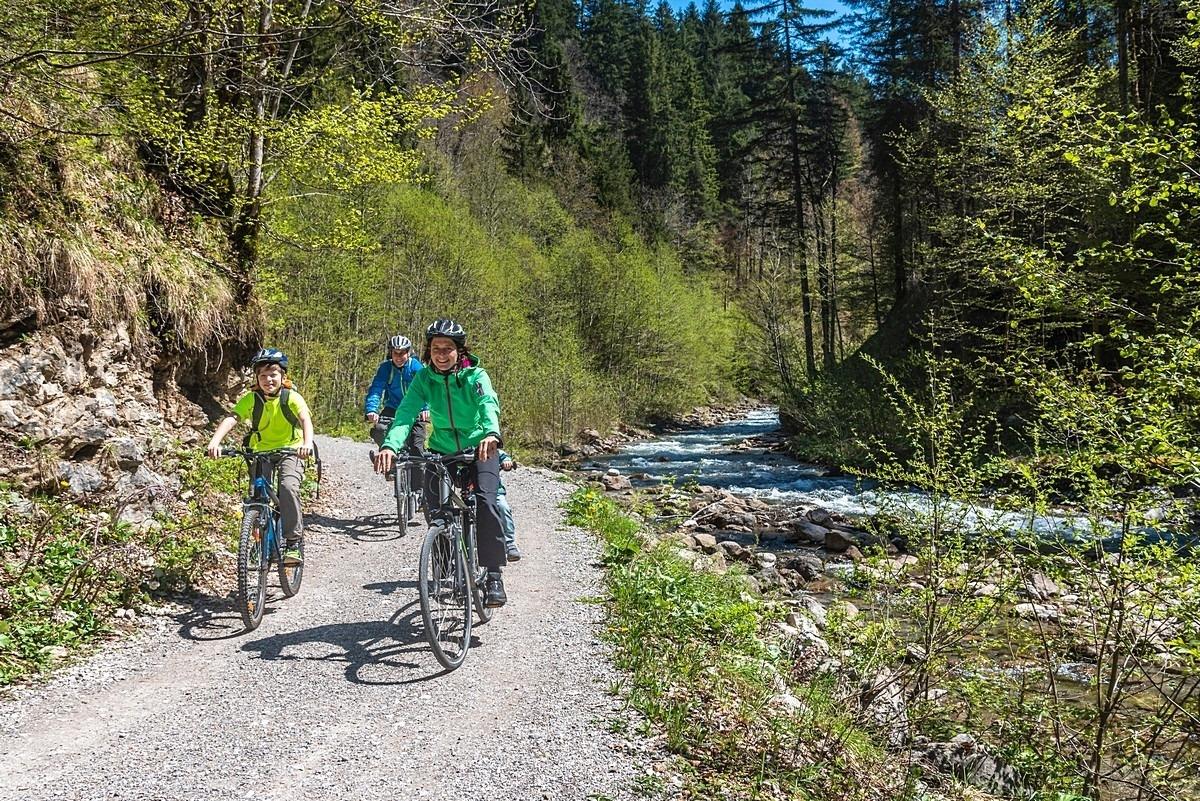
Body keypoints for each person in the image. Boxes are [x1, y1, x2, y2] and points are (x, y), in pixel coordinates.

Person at [374, 319, 508, 606]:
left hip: (479, 448)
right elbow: (406, 413)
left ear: (460, 351)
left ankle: (494, 576)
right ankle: (445, 563)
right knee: (435, 508)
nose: (441, 354)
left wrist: (491, 434)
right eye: (436, 348)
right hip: (441, 450)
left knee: (487, 503)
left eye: (448, 348)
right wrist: (390, 445)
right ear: (428, 351)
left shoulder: (475, 376)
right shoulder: (424, 379)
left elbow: (488, 404)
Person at [206, 348, 314, 565]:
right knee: (256, 498)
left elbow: (305, 420)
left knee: (288, 487)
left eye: (273, 375)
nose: (268, 380)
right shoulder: (251, 399)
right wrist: (215, 441)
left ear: (283, 376)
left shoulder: (291, 397)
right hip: (261, 451)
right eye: (263, 376)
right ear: (257, 378)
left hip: (291, 450)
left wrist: (307, 443)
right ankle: (260, 541)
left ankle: (293, 543)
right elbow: (232, 418)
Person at [364, 335, 429, 497]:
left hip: (415, 410)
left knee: (417, 448)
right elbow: (376, 389)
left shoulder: (416, 367)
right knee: (379, 430)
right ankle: (390, 462)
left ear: (409, 352)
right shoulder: (386, 368)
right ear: (390, 353)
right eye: (395, 353)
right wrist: (372, 409)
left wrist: (425, 408)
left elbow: (427, 389)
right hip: (393, 408)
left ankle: (418, 490)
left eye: (402, 353)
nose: (399, 357)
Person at [497, 449, 520, 561]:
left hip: (494, 490)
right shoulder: (462, 447)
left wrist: (506, 461)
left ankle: (510, 542)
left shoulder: (492, 449)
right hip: (470, 491)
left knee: (503, 507)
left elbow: (503, 456)